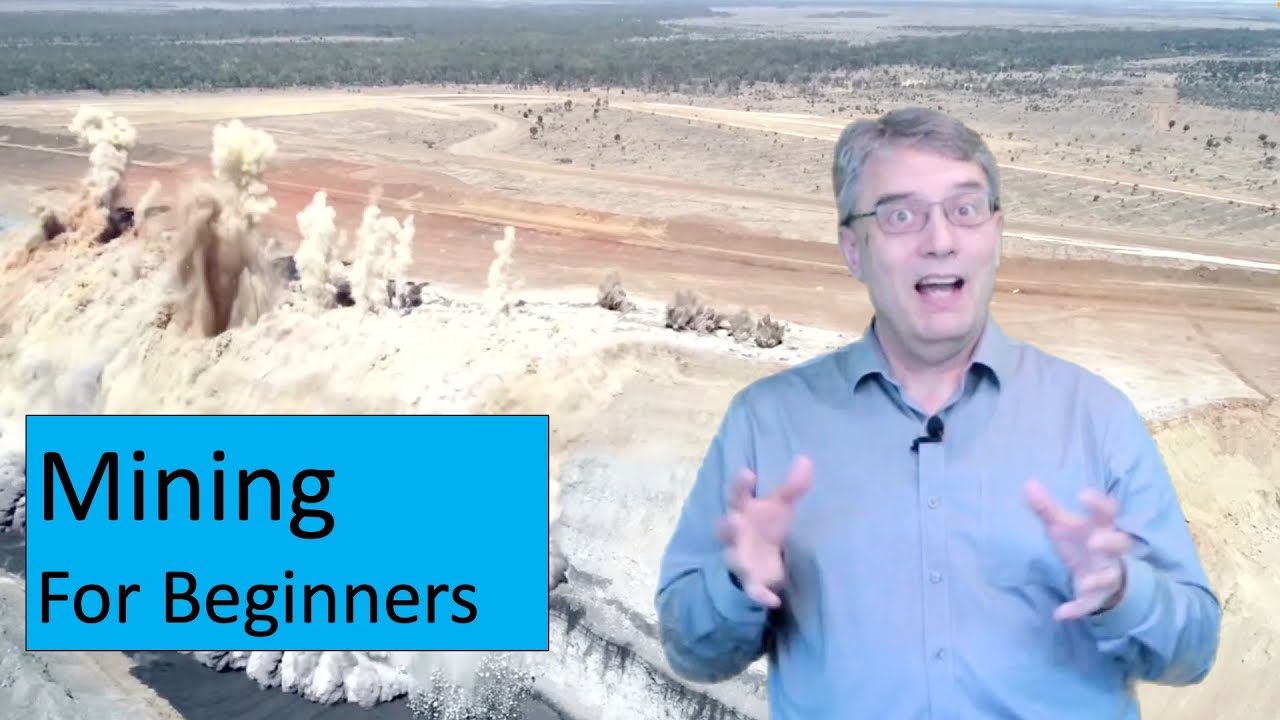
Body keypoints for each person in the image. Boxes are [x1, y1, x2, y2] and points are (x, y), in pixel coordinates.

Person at [654, 107, 1221, 719]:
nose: (940, 239)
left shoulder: (1096, 418)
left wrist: (1123, 592)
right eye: (901, 215)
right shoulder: (766, 423)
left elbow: (1193, 652)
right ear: (853, 248)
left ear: (996, 235)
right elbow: (690, 652)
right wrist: (737, 584)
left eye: (965, 209)